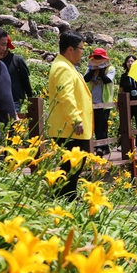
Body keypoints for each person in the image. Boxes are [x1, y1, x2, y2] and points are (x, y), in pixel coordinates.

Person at [46, 30, 92, 201]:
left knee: (74, 166)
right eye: (81, 48)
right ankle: (65, 198)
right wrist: (75, 119)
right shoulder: (63, 68)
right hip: (70, 129)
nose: (82, 52)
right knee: (72, 166)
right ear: (70, 49)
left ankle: (67, 197)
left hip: (71, 129)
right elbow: (65, 95)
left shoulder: (66, 66)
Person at [84, 48, 115, 156]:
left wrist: (101, 70)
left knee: (102, 125)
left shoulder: (110, 69)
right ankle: (103, 147)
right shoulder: (90, 68)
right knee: (96, 125)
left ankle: (101, 147)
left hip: (104, 102)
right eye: (95, 57)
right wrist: (93, 69)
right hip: (92, 102)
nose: (97, 59)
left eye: (99, 57)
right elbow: (86, 79)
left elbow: (107, 80)